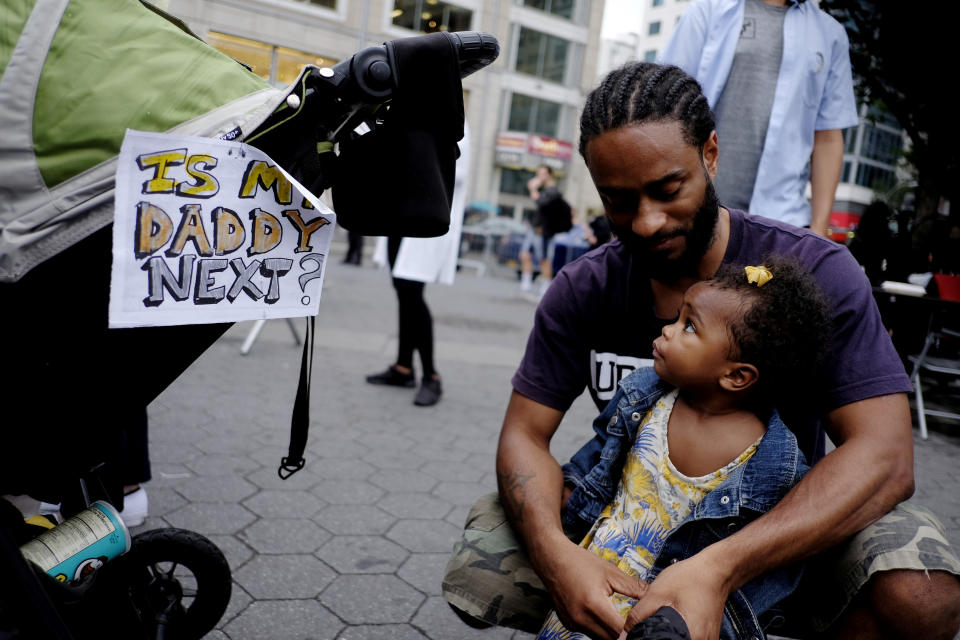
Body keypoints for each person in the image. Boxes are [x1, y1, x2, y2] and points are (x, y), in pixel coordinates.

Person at [442, 63, 960, 640]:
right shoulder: (583, 287)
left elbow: (885, 456)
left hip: (774, 540)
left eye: (668, 190)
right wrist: (557, 559)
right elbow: (523, 433)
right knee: (485, 547)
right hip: (631, 526)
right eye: (618, 201)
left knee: (922, 590)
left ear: (710, 154)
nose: (646, 222)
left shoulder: (812, 274)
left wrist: (717, 569)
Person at [536, 257, 831, 640]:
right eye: (677, 318)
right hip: (593, 580)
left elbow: (774, 563)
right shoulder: (642, 398)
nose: (668, 330)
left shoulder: (772, 463)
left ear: (736, 375)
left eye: (688, 326)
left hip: (667, 617)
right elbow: (596, 463)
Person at [660, 0, 858, 235]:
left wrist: (817, 231)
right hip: (697, 213)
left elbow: (828, 137)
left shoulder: (830, 34)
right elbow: (665, 108)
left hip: (781, 222)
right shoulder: (706, 11)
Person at [365, 127, 471, 407]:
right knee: (402, 291)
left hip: (425, 215)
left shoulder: (452, 117)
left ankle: (431, 376)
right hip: (399, 216)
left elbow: (457, 171)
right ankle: (403, 368)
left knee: (412, 292)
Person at [519, 166, 573, 297]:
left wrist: (533, 189)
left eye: (542, 174)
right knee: (525, 254)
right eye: (538, 174)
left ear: (549, 175)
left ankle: (545, 287)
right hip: (535, 228)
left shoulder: (554, 192)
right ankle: (526, 284)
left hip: (545, 231)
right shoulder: (546, 191)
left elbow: (541, 203)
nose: (539, 177)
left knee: (544, 259)